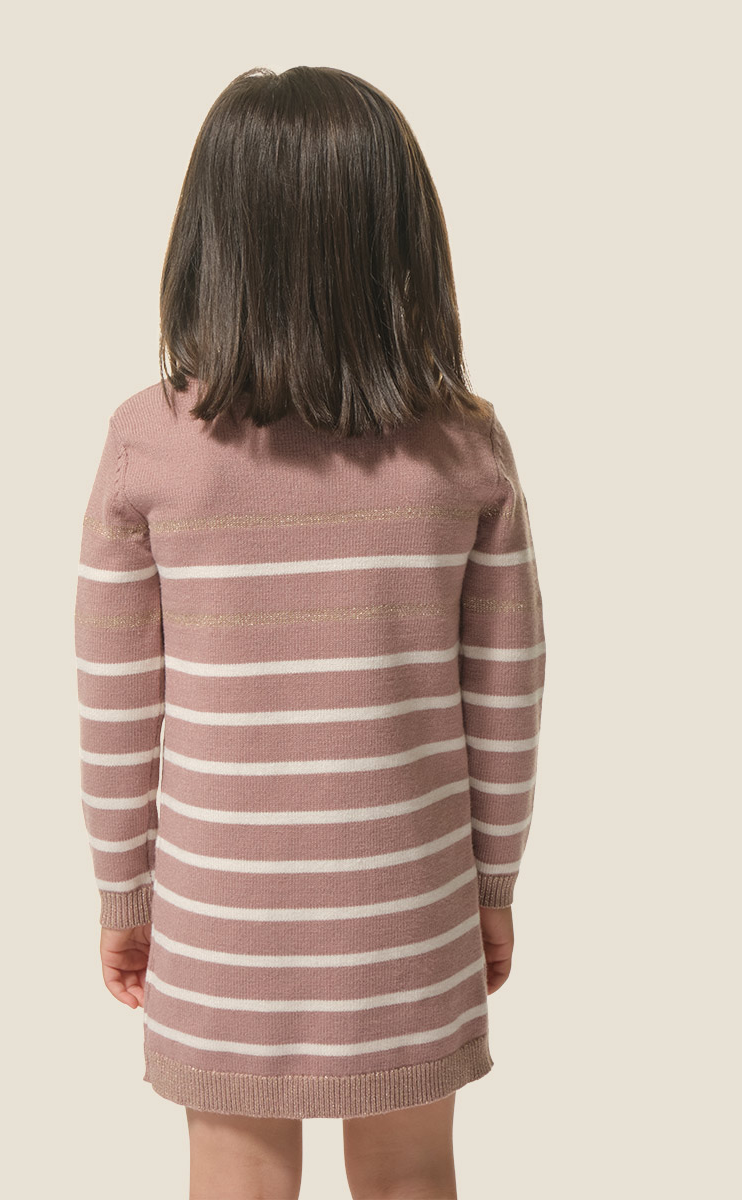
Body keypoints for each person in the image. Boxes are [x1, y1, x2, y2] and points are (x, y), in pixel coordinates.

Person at [74, 65, 546, 1200]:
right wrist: (492, 884)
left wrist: (125, 893)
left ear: (209, 243)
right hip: (410, 903)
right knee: (410, 1174)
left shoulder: (148, 444)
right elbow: (508, 694)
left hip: (221, 912)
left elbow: (114, 701)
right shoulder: (464, 448)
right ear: (402, 240)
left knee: (234, 1174)